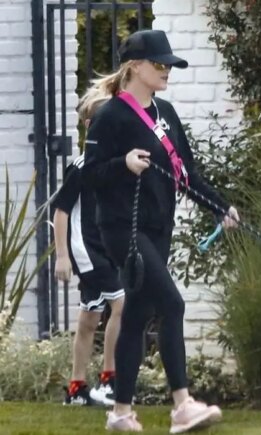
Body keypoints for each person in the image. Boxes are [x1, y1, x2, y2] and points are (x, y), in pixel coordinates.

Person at [82, 29, 239, 432]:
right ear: (135, 66)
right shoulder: (110, 116)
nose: (166, 70)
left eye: (168, 64)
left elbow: (185, 173)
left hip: (157, 227)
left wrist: (221, 208)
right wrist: (123, 164)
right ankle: (183, 406)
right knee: (172, 304)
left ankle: (119, 413)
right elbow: (90, 177)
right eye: (159, 64)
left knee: (136, 314)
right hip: (122, 228)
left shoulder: (165, 112)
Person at [53, 88, 125, 407]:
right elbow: (61, 211)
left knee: (89, 319)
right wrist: (63, 257)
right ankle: (110, 380)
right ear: (88, 126)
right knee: (121, 304)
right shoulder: (81, 168)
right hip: (87, 249)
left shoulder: (113, 166)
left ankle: (76, 389)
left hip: (107, 247)